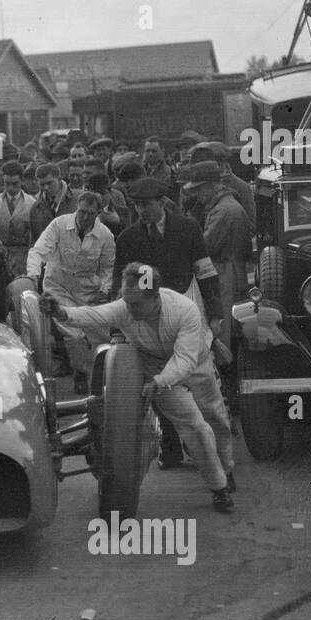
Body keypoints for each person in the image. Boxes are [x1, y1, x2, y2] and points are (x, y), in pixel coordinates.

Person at [50, 262, 236, 512]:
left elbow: (185, 360)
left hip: (195, 367)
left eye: (135, 304)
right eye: (126, 301)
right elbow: (94, 315)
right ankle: (219, 487)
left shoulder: (185, 310)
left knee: (218, 420)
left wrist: (158, 382)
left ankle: (227, 467)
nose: (128, 308)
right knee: (197, 428)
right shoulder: (127, 305)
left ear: (155, 297)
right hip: (157, 374)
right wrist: (61, 313)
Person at [113, 177, 224, 470]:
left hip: (188, 309)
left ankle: (202, 444)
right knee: (161, 382)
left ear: (162, 203)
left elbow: (205, 270)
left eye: (146, 205)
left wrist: (215, 312)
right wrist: (117, 330)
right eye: (136, 205)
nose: (141, 211)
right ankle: (171, 444)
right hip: (149, 320)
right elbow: (120, 286)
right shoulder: (127, 239)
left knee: (194, 376)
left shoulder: (188, 229)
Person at [26, 192, 116, 392]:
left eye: (90, 214)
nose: (84, 217)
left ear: (98, 213)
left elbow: (108, 268)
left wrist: (104, 289)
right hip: (58, 286)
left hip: (88, 291)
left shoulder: (106, 236)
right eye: (82, 211)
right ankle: (80, 373)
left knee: (99, 333)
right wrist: (32, 275)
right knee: (74, 334)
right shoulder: (59, 225)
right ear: (77, 207)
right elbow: (38, 251)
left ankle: (101, 377)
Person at [180, 161, 249, 312]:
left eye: (198, 189)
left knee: (225, 329)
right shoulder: (224, 206)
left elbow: (204, 247)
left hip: (227, 277)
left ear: (210, 185)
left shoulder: (223, 210)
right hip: (228, 274)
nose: (195, 195)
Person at [0, 160, 36, 278]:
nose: (10, 187)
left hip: (25, 259)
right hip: (0, 259)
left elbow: (37, 237)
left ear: (22, 181)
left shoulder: (32, 204)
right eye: (7, 184)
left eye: (15, 183)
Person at [28, 163, 75, 243]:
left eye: (50, 183)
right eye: (42, 185)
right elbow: (34, 242)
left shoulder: (78, 200)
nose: (46, 188)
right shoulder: (36, 208)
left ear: (60, 179)